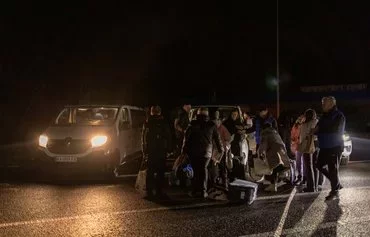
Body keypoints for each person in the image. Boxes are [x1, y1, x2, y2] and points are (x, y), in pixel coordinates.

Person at [182, 107, 224, 198]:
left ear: (197, 114)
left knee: (195, 171)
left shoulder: (192, 124)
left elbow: (186, 139)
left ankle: (194, 190)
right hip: (206, 152)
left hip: (193, 152)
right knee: (204, 169)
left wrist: (184, 150)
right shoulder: (211, 125)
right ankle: (203, 191)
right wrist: (221, 150)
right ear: (207, 115)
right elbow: (218, 139)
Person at [315, 96, 345, 200]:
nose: (322, 105)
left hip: (335, 146)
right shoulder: (323, 116)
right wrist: (315, 130)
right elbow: (318, 128)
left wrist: (319, 128)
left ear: (331, 104)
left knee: (333, 169)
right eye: (322, 103)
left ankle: (334, 191)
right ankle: (336, 183)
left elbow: (334, 129)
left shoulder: (339, 115)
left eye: (324, 103)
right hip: (324, 146)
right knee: (319, 165)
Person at [142, 105, 172, 199]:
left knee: (150, 171)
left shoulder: (147, 122)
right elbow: (168, 136)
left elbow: (144, 138)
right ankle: (159, 191)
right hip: (161, 150)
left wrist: (144, 151)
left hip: (151, 151)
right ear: (160, 112)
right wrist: (169, 149)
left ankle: (149, 192)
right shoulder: (163, 122)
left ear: (152, 112)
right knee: (160, 172)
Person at [258, 123, 291, 192]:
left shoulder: (265, 133)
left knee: (273, 168)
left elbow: (263, 144)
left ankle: (273, 186)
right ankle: (276, 182)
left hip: (272, 152)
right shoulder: (275, 132)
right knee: (277, 167)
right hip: (281, 151)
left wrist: (261, 153)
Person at [298, 109, 319, 192]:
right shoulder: (317, 122)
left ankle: (311, 187)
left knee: (308, 166)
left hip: (308, 145)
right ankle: (316, 185)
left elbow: (302, 137)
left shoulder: (305, 125)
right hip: (317, 144)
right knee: (315, 165)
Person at [211, 110, 232, 189]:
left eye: (217, 120)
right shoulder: (212, 128)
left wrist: (226, 145)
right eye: (214, 120)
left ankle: (224, 183)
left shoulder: (222, 128)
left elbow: (228, 138)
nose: (216, 122)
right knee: (214, 168)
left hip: (221, 151)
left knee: (222, 168)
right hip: (213, 151)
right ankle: (215, 184)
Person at [291, 115, 305, 185]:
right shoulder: (295, 126)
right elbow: (292, 135)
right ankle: (300, 177)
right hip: (297, 146)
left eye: (301, 119)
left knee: (305, 163)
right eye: (299, 118)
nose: (300, 120)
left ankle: (304, 177)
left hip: (304, 146)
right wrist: (294, 140)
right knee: (298, 163)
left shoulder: (305, 125)